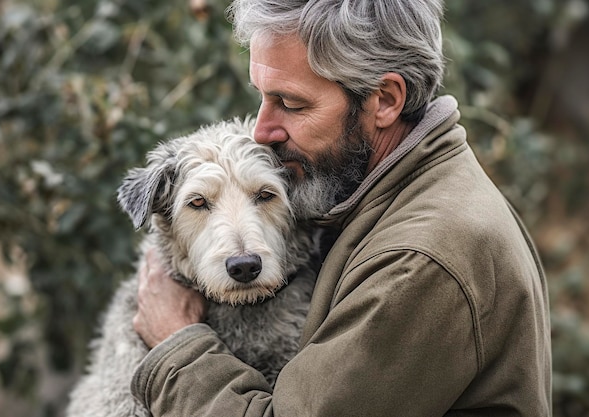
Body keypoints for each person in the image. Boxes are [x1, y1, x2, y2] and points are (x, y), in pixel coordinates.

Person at [130, 0, 552, 415]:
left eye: (292, 104)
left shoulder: (418, 262)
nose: (262, 131)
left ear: (386, 100)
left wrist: (177, 343)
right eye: (261, 97)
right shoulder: (386, 192)